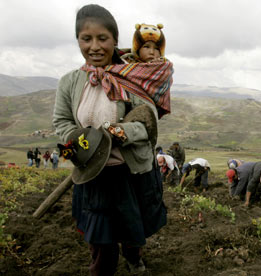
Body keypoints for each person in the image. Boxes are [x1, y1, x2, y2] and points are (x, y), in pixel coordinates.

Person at [52, 4, 172, 275]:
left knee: (132, 230)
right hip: (92, 175)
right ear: (78, 41)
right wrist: (85, 144)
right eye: (86, 39)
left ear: (114, 40)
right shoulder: (69, 82)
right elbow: (61, 122)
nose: (94, 46)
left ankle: (133, 258)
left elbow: (147, 126)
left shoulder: (132, 76)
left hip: (129, 173)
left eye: (102, 38)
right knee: (101, 245)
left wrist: (116, 134)